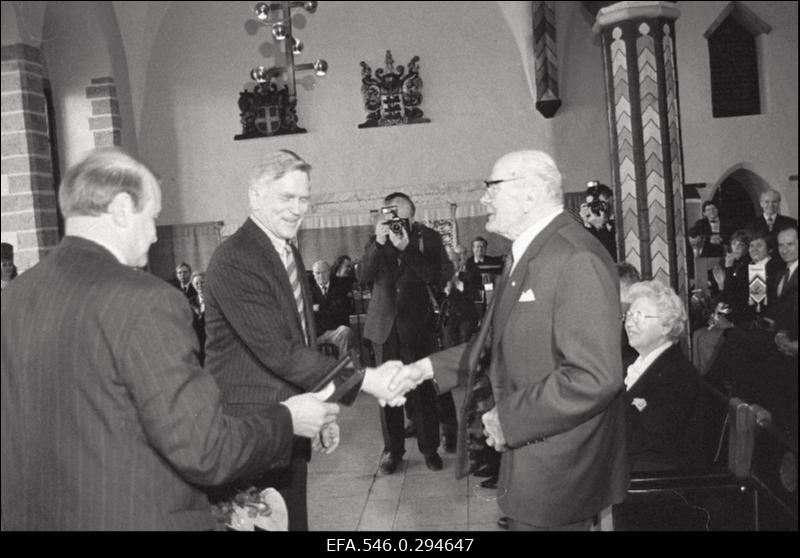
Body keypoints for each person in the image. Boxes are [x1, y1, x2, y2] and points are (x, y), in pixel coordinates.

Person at [0, 148, 343, 530]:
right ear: (121, 209)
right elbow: (206, 450)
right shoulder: (145, 300)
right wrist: (288, 419)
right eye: (153, 218)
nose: (152, 234)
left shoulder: (13, 298)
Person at [389, 150, 628, 531]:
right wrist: (424, 368)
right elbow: (493, 342)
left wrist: (509, 417)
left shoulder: (574, 256)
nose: (484, 198)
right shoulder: (527, 252)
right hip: (533, 454)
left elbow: (594, 376)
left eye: (492, 187)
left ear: (530, 193)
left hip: (559, 465)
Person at [202, 149, 405, 531]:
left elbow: (302, 342)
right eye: (286, 198)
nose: (297, 209)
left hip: (288, 427)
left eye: (304, 198)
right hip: (251, 437)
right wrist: (367, 381)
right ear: (254, 196)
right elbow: (279, 351)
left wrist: (320, 408)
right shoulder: (236, 258)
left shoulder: (287, 250)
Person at [360, 191, 453, 475]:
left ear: (410, 214)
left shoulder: (429, 237)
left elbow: (441, 275)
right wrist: (378, 243)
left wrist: (407, 249)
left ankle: (429, 449)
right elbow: (362, 277)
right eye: (386, 212)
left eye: (395, 213)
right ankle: (393, 451)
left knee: (422, 390)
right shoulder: (376, 239)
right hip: (384, 328)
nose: (390, 218)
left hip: (417, 325)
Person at [623, 281, 703, 472]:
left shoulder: (678, 375)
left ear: (666, 326)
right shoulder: (632, 364)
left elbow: (651, 442)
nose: (629, 322)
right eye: (628, 315)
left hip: (655, 479)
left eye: (639, 316)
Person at [310, 259, 357, 357]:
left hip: (335, 331)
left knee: (346, 332)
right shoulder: (308, 291)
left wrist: (319, 309)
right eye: (317, 273)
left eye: (324, 272)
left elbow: (341, 313)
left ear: (329, 272)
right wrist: (329, 309)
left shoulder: (340, 288)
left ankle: (345, 369)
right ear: (314, 275)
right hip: (317, 333)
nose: (321, 276)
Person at [580, 181, 617, 261]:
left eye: (598, 203)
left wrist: (600, 227)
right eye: (591, 205)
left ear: (610, 201)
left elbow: (611, 257)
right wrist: (587, 225)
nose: (595, 208)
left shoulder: (619, 223)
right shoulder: (592, 226)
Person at [189, 271, 207, 364]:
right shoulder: (190, 302)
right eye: (197, 283)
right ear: (193, 285)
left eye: (202, 282)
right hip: (197, 345)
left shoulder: (214, 301)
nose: (200, 285)